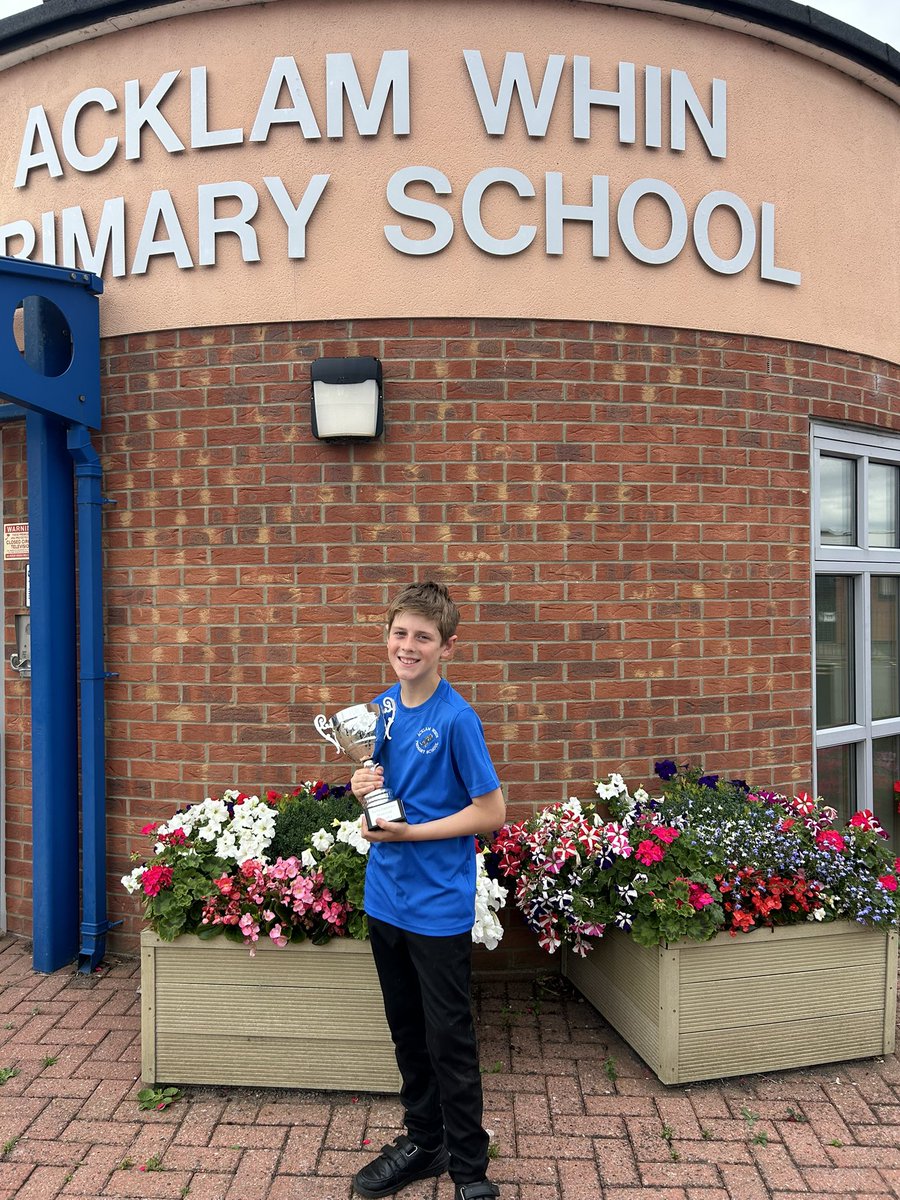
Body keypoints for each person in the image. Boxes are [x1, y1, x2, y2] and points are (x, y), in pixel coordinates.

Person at [349, 580, 505, 1200]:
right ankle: (423, 1139)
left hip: (436, 905)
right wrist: (364, 788)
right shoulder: (381, 710)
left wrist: (412, 836)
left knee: (449, 1040)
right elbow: (386, 800)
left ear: (446, 647)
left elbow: (490, 811)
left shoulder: (457, 718)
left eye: (423, 636)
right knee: (406, 1030)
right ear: (387, 636)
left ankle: (470, 1170)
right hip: (384, 897)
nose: (408, 646)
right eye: (400, 633)